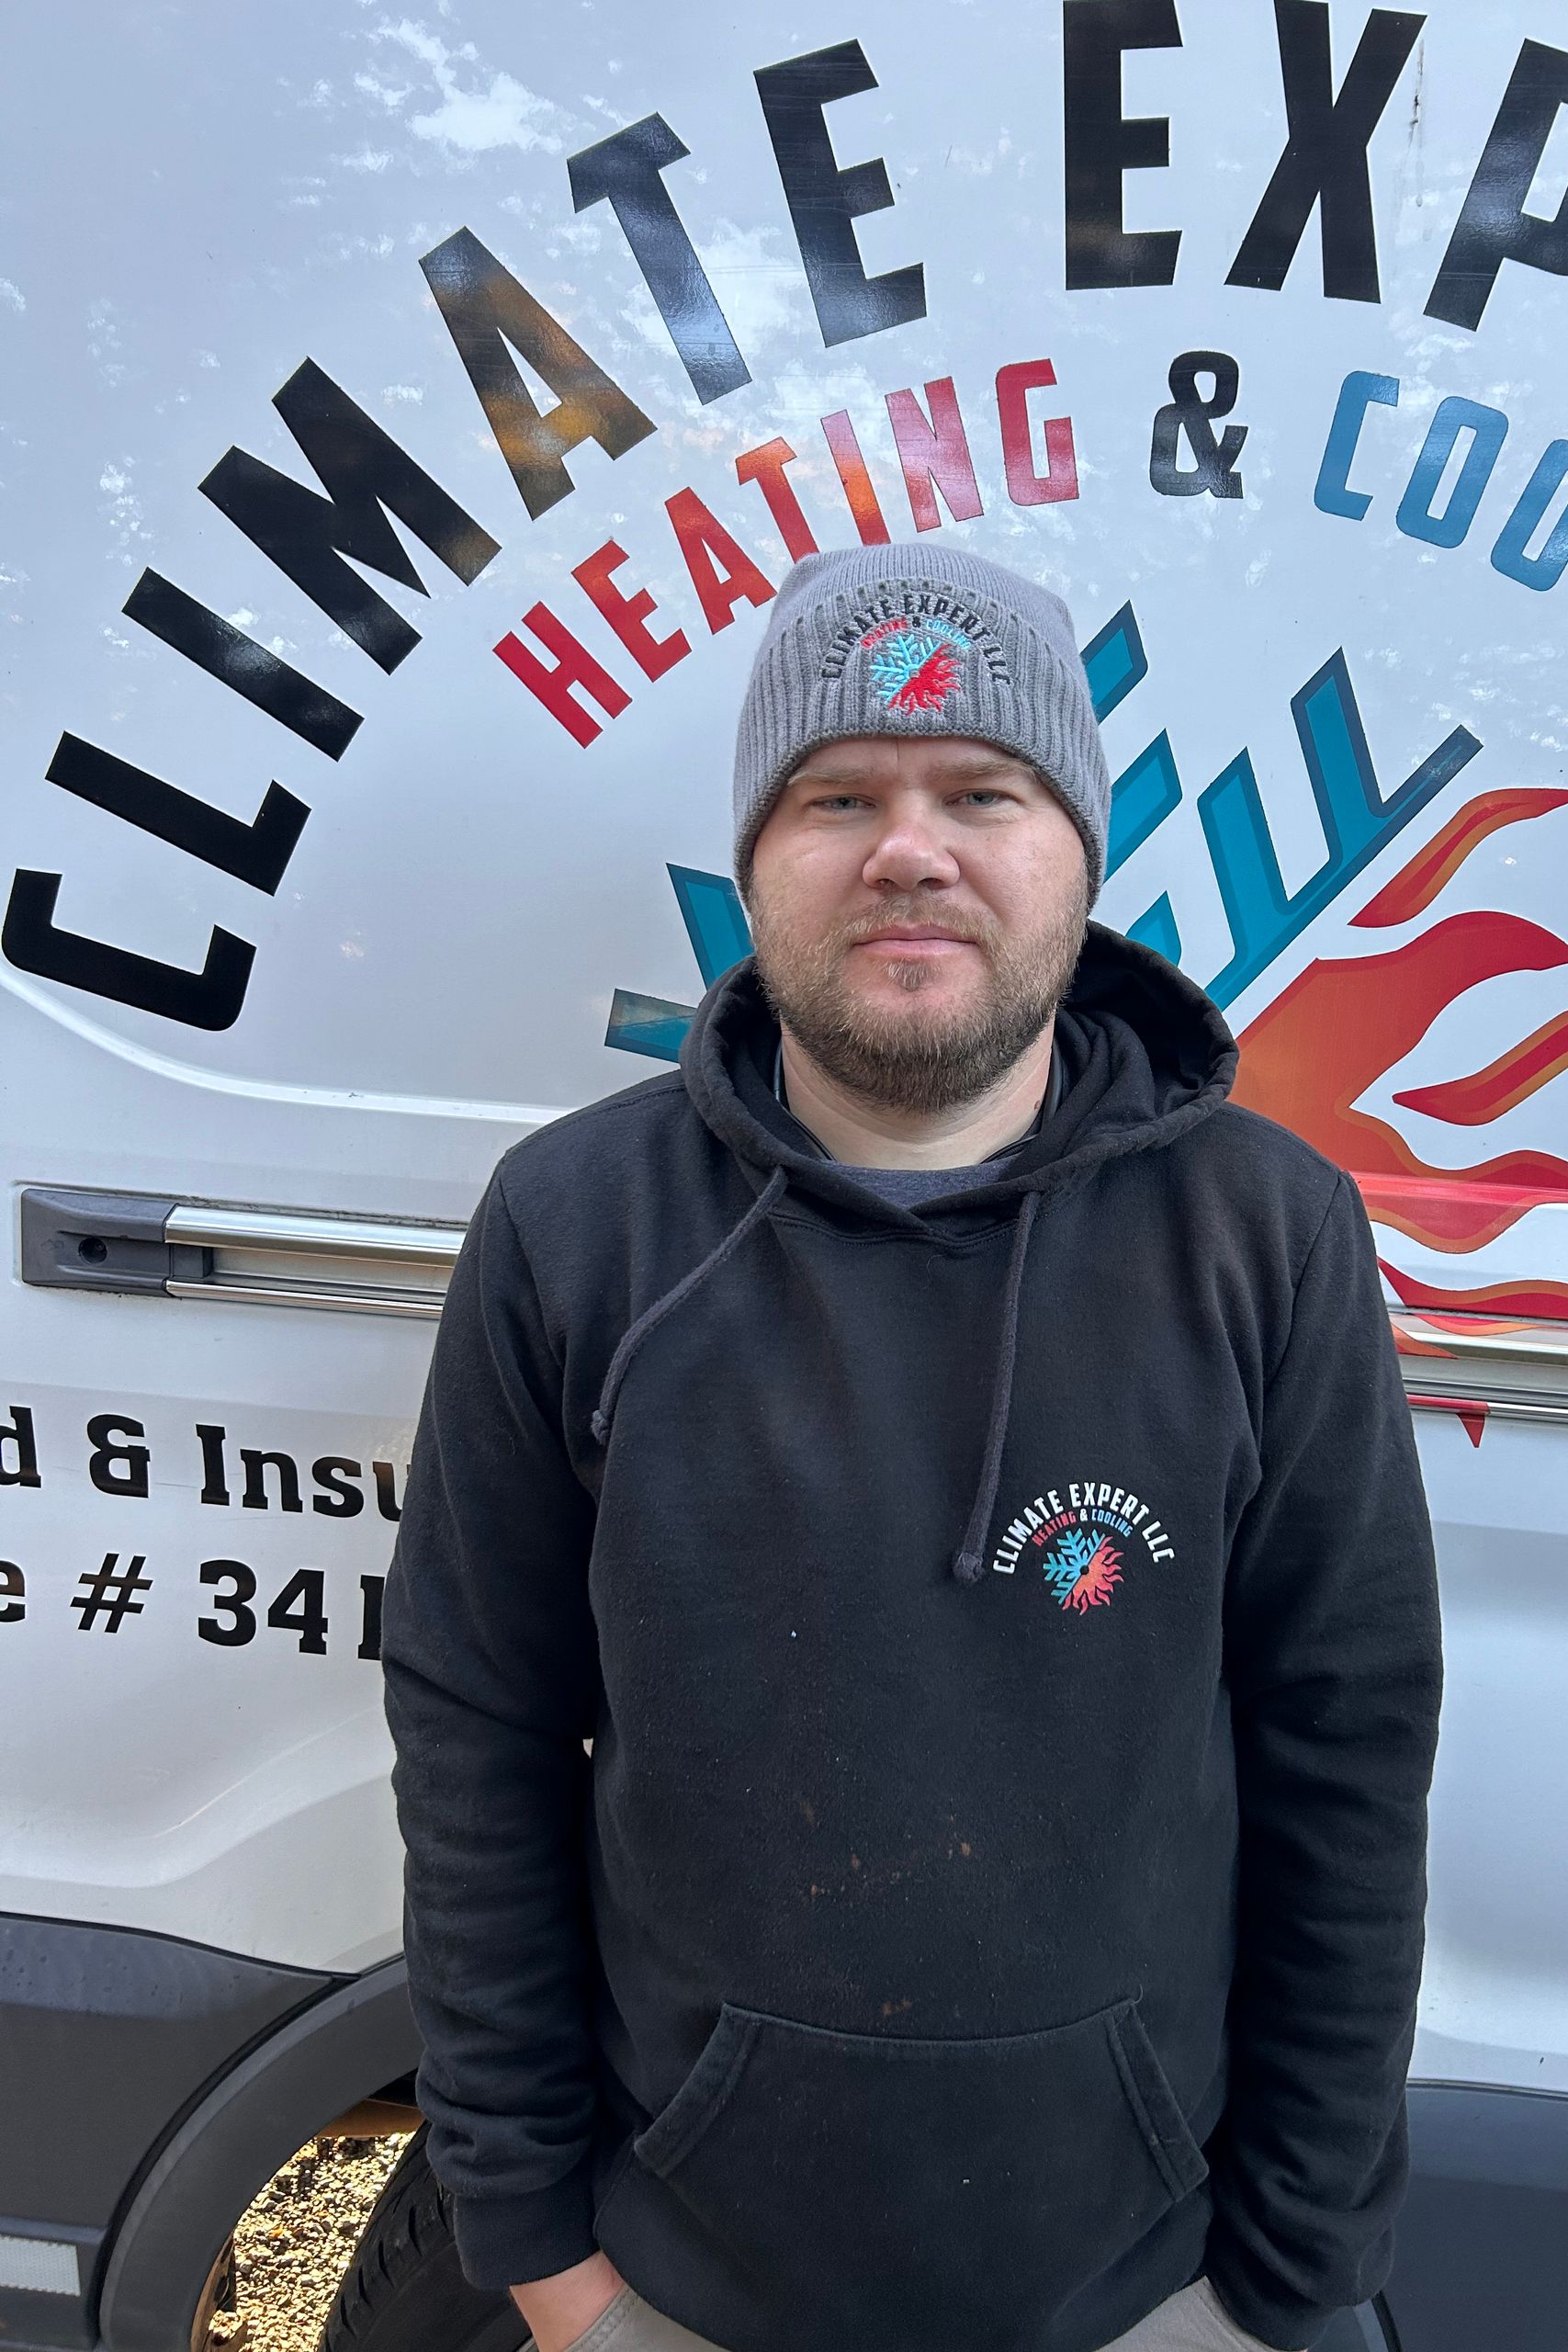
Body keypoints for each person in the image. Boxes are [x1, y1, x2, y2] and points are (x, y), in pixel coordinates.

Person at [380, 545, 1443, 2352]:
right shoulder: (577, 1225)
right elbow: (474, 1723)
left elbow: (1350, 1755)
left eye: (983, 792)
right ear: (755, 864)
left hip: (1147, 2279)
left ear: (1079, 859)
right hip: (687, 2276)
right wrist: (543, 2254)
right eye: (838, 795)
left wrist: (1286, 2279)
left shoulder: (1267, 1232)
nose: (909, 847)